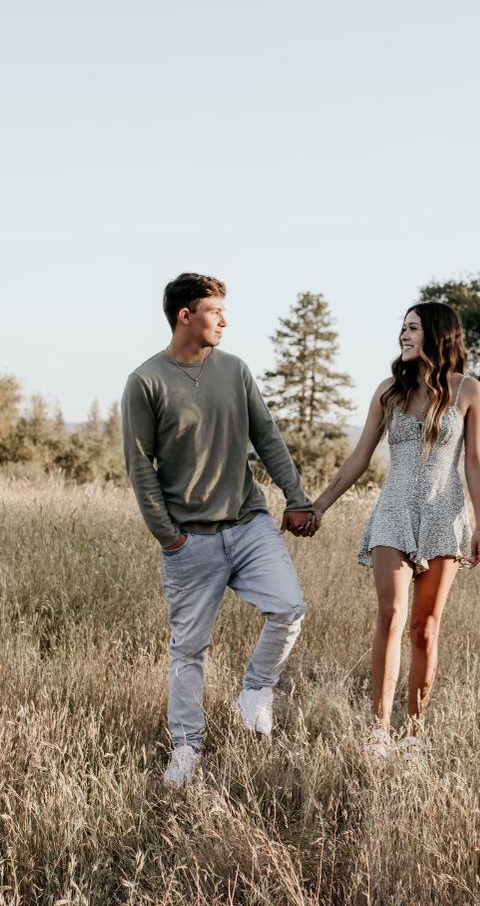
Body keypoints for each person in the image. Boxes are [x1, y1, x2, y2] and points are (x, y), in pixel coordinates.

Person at [121, 273, 316, 788]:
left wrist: (296, 499)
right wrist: (168, 536)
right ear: (186, 315)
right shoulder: (146, 382)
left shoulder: (235, 370)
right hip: (190, 540)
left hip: (249, 523)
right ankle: (187, 748)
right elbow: (140, 466)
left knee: (289, 607)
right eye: (214, 311)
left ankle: (256, 689)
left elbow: (268, 438)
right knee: (189, 651)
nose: (225, 320)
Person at [312, 302, 480, 758]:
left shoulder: (468, 391)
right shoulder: (389, 391)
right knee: (391, 615)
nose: (403, 336)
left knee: (424, 629)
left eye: (412, 328)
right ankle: (379, 731)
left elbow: (473, 462)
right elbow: (359, 457)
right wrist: (319, 506)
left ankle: (414, 733)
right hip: (393, 512)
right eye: (402, 328)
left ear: (436, 334)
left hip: (444, 515)